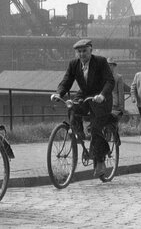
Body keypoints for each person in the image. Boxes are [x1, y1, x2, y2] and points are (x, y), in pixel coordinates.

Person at [51, 39, 114, 178]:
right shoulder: (74, 64)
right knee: (72, 106)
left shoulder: (101, 62)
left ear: (91, 50)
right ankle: (79, 133)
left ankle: (100, 161)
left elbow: (110, 81)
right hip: (85, 94)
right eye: (79, 52)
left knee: (96, 128)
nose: (82, 54)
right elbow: (66, 81)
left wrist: (102, 95)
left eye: (85, 51)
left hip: (101, 98)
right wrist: (59, 93)